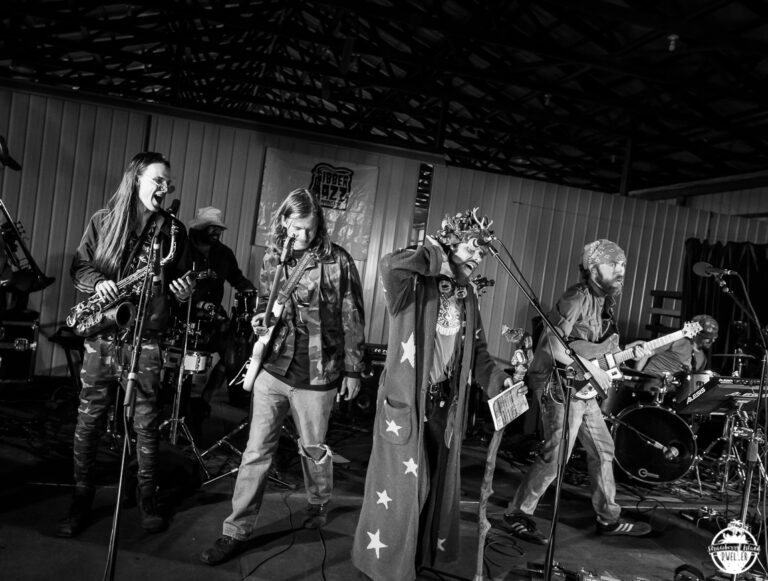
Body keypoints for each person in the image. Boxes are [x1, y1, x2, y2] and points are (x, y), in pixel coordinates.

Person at [351, 209, 525, 581]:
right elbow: (390, 264)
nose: (478, 256)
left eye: (482, 251)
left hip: (444, 407)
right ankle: (383, 570)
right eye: (472, 247)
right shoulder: (412, 286)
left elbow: (479, 354)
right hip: (407, 406)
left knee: (431, 493)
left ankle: (411, 565)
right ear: (450, 243)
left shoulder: (468, 296)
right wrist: (435, 256)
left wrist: (500, 381)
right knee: (400, 494)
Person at [200, 187, 366, 565]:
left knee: (313, 449)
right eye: (296, 228)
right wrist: (259, 318)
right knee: (256, 451)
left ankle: (318, 502)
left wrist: (354, 370)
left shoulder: (338, 260)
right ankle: (235, 530)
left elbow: (352, 316)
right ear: (284, 223)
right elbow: (265, 304)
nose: (303, 235)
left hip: (318, 374)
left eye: (309, 228)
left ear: (319, 224)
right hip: (273, 369)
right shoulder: (274, 256)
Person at [56, 152, 194, 537]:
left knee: (146, 423)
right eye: (158, 180)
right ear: (136, 180)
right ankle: (81, 496)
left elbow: (185, 280)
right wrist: (99, 282)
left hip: (146, 337)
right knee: (89, 420)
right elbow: (80, 266)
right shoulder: (104, 220)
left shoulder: (174, 231)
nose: (165, 187)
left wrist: (185, 290)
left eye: (168, 182)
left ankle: (147, 495)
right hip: (103, 333)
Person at [501, 238, 653, 545]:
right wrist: (592, 369)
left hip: (581, 386)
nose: (621, 270)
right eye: (614, 265)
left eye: (623, 264)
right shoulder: (576, 296)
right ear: (594, 269)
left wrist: (627, 351)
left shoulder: (605, 302)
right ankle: (517, 512)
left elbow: (592, 348)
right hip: (558, 385)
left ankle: (608, 518)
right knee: (557, 454)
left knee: (603, 450)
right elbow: (554, 346)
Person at [182, 206, 255, 433]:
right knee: (183, 368)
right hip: (183, 317)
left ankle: (203, 402)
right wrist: (196, 304)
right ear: (199, 228)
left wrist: (253, 293)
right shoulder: (183, 248)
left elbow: (237, 279)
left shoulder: (224, 254)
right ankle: (181, 408)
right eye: (211, 227)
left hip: (214, 319)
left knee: (233, 353)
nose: (216, 232)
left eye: (219, 228)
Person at [635, 314, 719, 404]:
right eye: (709, 338)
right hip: (653, 381)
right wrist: (635, 376)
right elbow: (646, 352)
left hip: (674, 393)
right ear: (698, 334)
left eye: (714, 338)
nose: (713, 340)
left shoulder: (703, 358)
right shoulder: (676, 340)